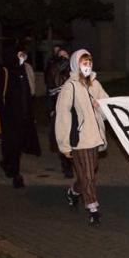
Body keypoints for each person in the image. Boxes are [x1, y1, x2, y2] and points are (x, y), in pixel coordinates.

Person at [56, 49, 109, 226]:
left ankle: (74, 191)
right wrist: (64, 145)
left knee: (88, 174)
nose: (88, 66)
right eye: (84, 63)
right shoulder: (69, 87)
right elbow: (63, 116)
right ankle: (93, 210)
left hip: (95, 138)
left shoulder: (95, 85)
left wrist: (100, 105)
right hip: (79, 140)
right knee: (88, 176)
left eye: (89, 63)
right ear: (76, 65)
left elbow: (107, 108)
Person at [0, 44, 41, 188]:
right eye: (20, 54)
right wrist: (3, 115)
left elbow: (27, 94)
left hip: (23, 116)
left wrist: (30, 113)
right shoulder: (4, 71)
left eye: (24, 55)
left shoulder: (23, 70)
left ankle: (9, 164)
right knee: (12, 145)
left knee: (17, 145)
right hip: (10, 117)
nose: (23, 57)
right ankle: (16, 174)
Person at [45, 45, 73, 177]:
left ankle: (74, 161)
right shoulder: (53, 71)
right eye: (61, 55)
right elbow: (51, 91)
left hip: (73, 109)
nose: (64, 57)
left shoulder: (73, 70)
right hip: (59, 109)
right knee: (63, 137)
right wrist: (51, 109)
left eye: (65, 55)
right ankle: (66, 165)